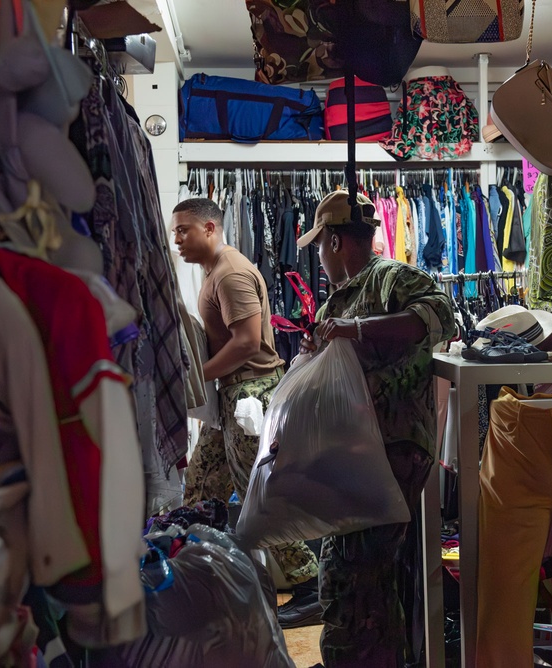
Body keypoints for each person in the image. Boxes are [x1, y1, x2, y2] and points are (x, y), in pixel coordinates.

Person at [296, 191, 456, 667]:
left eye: (321, 246)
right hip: (354, 454)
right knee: (361, 577)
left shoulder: (391, 278)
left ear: (336, 240)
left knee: (353, 572)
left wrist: (358, 330)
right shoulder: (333, 306)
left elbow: (440, 315)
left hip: (393, 449)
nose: (320, 257)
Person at [171, 198, 319, 622]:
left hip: (250, 395)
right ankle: (206, 576)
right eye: (175, 231)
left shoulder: (231, 273)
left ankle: (309, 584)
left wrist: (195, 379)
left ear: (210, 228)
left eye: (184, 229)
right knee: (201, 489)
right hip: (233, 395)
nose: (177, 238)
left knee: (260, 493)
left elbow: (248, 342)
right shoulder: (214, 270)